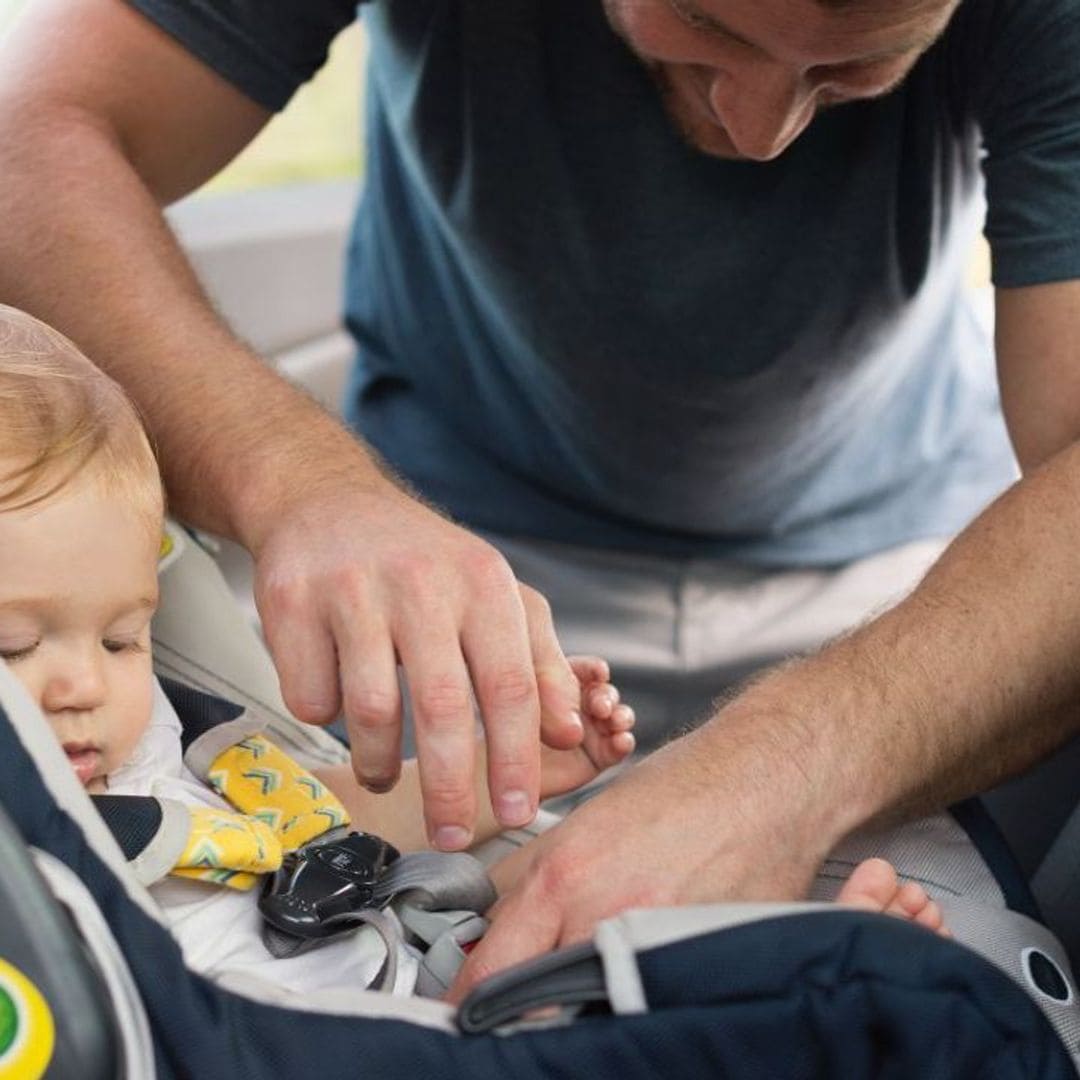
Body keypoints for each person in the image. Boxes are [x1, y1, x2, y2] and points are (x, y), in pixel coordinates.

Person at [0, 0, 1069, 992]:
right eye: (702, 27)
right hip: (455, 604)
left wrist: (791, 769)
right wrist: (303, 490)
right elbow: (29, 136)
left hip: (914, 601)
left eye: (856, 68)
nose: (763, 132)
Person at [0, 304, 946, 998]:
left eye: (125, 637)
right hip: (287, 1044)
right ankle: (797, 1002)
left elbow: (311, 828)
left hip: (414, 971)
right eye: (13, 647)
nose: (84, 681)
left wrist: (504, 779)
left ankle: (779, 977)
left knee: (595, 938)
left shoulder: (151, 740)